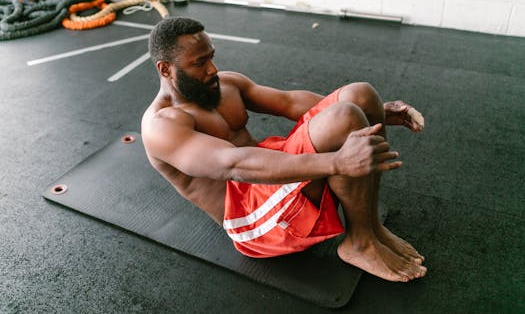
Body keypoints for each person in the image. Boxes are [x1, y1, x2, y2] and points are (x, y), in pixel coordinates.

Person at [141, 17, 427, 282]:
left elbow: (290, 102)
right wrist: (336, 162)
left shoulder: (225, 84)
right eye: (200, 63)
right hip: (250, 216)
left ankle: (370, 227)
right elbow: (233, 164)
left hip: (272, 172)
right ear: (165, 69)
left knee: (361, 94)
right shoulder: (162, 127)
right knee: (344, 120)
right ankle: (360, 243)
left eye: (212, 57)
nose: (212, 69)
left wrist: (377, 110)